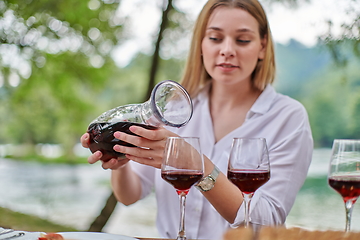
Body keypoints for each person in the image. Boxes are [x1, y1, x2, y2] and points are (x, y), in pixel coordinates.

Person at [81, 0, 313, 239]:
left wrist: (198, 165)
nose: (227, 50)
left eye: (243, 40)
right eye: (215, 38)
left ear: (263, 46)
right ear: (201, 44)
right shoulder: (172, 110)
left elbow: (267, 224)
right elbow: (129, 195)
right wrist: (121, 160)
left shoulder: (288, 118)